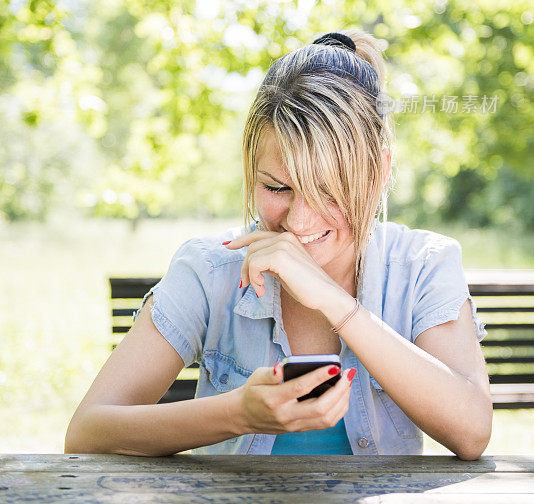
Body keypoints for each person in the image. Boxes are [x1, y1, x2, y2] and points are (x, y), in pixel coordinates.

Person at [65, 29, 492, 458]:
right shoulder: (210, 270)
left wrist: (337, 304)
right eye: (276, 188)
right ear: (251, 171)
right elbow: (87, 432)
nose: (299, 221)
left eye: (328, 190)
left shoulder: (423, 265)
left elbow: (472, 431)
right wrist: (239, 414)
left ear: (379, 172)